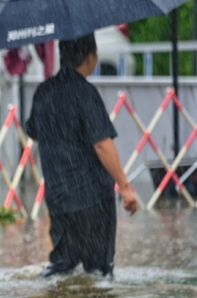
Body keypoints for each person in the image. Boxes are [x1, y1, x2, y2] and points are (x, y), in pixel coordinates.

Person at [25, 33, 138, 279]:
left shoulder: (44, 91)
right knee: (98, 271)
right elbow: (102, 144)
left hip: (58, 198)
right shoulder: (86, 93)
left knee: (63, 266)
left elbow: (33, 132)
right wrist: (125, 187)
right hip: (92, 199)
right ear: (90, 56)